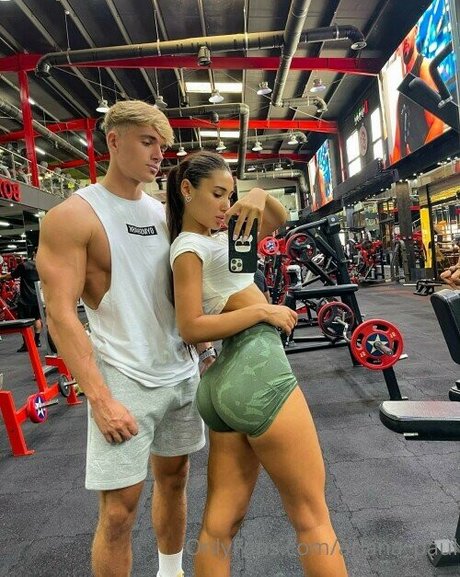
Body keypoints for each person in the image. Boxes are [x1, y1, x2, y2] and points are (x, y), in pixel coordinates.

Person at [36, 99, 269, 577]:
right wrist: (100, 399)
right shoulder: (74, 216)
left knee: (176, 481)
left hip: (180, 374)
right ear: (114, 140)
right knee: (119, 512)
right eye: (147, 142)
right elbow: (60, 315)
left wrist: (204, 350)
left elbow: (182, 291)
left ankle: (170, 571)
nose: (158, 154)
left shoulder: (166, 214)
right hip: (124, 381)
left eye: (161, 145)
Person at [167, 150, 348, 577]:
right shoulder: (189, 247)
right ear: (187, 190)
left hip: (224, 383)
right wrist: (262, 311)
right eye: (216, 194)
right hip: (254, 368)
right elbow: (190, 326)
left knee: (220, 524)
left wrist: (257, 194)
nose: (225, 205)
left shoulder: (219, 240)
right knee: (311, 517)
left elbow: (277, 219)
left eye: (230, 196)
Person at [390, 25, 446, 164]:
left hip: (429, 167)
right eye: (401, 36)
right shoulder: (403, 92)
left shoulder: (424, 69)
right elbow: (397, 146)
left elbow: (437, 123)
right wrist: (398, 173)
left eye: (407, 31)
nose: (405, 39)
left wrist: (420, 165)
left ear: (415, 30)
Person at [0, 249, 42, 351]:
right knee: (37, 319)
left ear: (33, 253)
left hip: (26, 298)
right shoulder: (43, 266)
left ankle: (27, 344)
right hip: (38, 297)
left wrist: (1, 277)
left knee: (24, 322)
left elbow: (11, 276)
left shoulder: (24, 265)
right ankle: (37, 341)